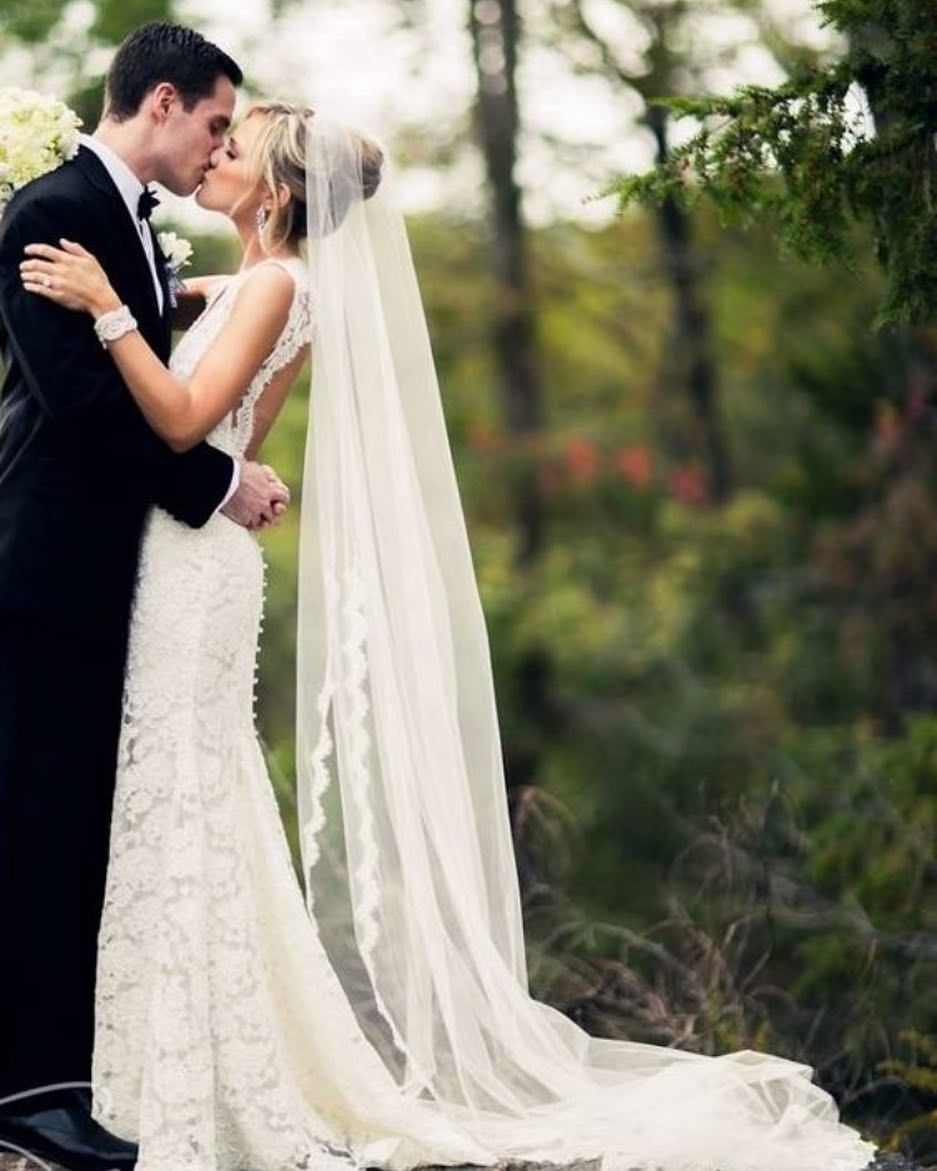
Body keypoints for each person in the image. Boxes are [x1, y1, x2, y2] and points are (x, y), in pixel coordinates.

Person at [18, 96, 880, 1171]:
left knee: (182, 798)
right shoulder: (256, 286)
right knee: (186, 796)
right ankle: (156, 1059)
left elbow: (185, 423)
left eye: (233, 148)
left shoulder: (278, 284)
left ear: (278, 190)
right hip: (190, 558)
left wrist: (105, 308)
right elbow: (207, 391)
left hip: (191, 575)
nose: (215, 156)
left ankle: (180, 1075)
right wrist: (149, 306)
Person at [0, 22, 295, 1171]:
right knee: (33, 822)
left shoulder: (124, 221)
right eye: (218, 123)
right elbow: (78, 406)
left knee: (72, 825)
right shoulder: (44, 213)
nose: (221, 143)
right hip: (45, 564)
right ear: (163, 102)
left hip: (108, 570)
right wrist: (218, 480)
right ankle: (28, 1094)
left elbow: (144, 357)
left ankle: (61, 1075)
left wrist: (191, 305)